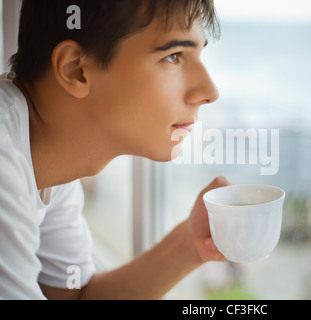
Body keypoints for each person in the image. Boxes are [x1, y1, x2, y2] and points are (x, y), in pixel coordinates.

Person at [0, 0, 231, 300]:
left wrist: (188, 244)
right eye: (174, 56)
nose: (210, 92)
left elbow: (73, 297)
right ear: (76, 69)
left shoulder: (50, 153)